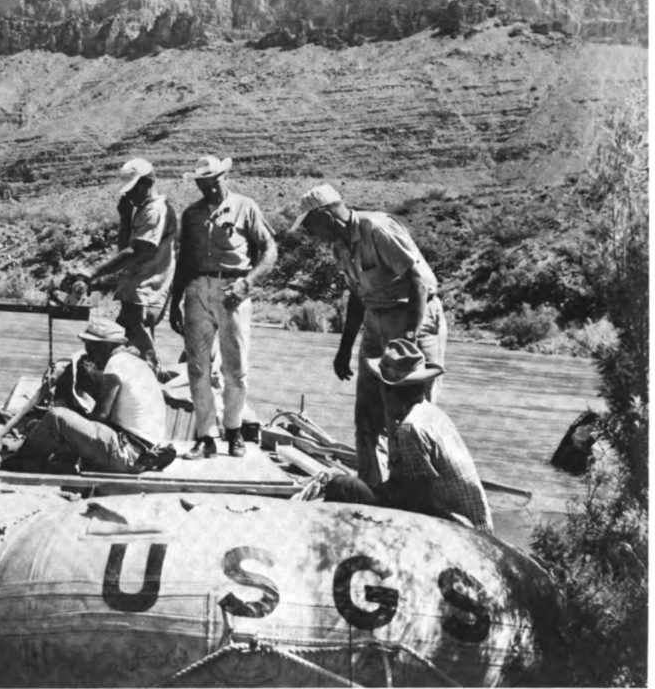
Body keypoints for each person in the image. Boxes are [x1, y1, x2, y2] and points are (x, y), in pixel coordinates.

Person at [292, 183, 446, 487]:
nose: (310, 234)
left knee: (414, 413)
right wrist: (344, 348)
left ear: (325, 217)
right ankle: (372, 489)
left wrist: (409, 338)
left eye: (310, 226)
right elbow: (356, 297)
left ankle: (420, 488)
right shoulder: (339, 245)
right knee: (367, 413)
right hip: (376, 321)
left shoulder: (376, 228)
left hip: (414, 316)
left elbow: (417, 282)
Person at [323, 339, 493, 533]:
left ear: (388, 390)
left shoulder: (410, 428)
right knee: (360, 486)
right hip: (474, 522)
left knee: (343, 486)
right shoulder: (433, 413)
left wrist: (367, 491)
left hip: (456, 526)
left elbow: (414, 497)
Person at [170, 155, 277, 460]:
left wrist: (249, 282)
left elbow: (269, 249)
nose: (210, 188)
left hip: (233, 290)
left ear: (225, 177)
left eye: (214, 182)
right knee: (197, 368)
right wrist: (174, 302)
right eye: (203, 184)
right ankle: (206, 437)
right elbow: (184, 261)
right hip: (196, 290)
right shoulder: (190, 214)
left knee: (236, 369)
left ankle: (234, 429)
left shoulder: (246, 206)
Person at [4, 319, 174, 474]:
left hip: (128, 454)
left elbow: (100, 416)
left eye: (90, 347)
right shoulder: (136, 363)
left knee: (56, 416)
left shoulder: (116, 363)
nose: (88, 355)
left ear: (105, 346)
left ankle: (17, 464)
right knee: (72, 424)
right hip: (144, 452)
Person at [73, 158, 177, 363]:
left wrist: (93, 272)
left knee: (136, 355)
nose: (129, 194)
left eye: (133, 189)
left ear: (147, 183)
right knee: (131, 350)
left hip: (146, 293)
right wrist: (125, 219)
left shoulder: (155, 211)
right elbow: (125, 250)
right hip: (136, 292)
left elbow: (139, 251)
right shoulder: (143, 209)